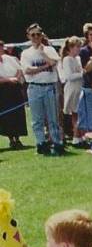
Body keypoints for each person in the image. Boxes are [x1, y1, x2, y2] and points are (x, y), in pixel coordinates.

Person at [20, 24, 63, 156]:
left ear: (42, 35)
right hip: (34, 87)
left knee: (53, 118)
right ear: (28, 36)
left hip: (49, 87)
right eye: (33, 35)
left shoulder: (49, 49)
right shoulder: (26, 53)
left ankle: (57, 143)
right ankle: (41, 143)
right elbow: (27, 70)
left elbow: (54, 62)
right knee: (37, 119)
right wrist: (45, 66)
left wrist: (43, 53)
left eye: (38, 34)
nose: (36, 37)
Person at [0, 40, 26, 151]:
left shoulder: (10, 59)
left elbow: (20, 69)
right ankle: (11, 139)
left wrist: (16, 77)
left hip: (15, 88)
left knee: (18, 114)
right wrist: (8, 79)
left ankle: (18, 138)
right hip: (3, 90)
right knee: (7, 116)